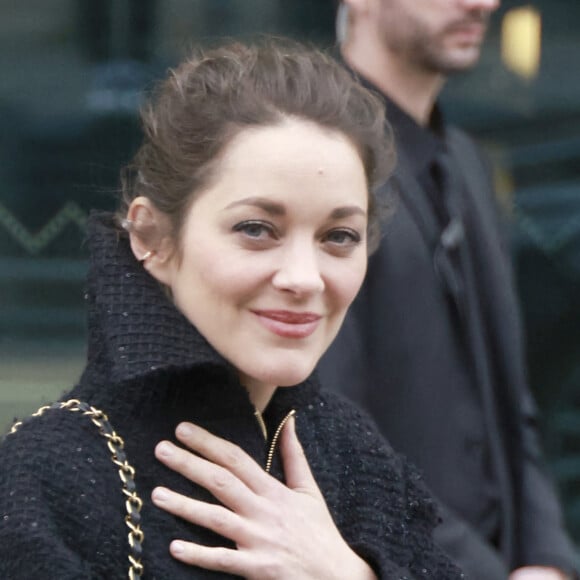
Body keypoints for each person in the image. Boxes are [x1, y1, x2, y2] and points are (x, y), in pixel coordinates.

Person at [0, 39, 464, 579]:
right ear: (151, 236)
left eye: (339, 236)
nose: (303, 278)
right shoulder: (49, 475)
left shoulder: (354, 454)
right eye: (256, 229)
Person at [319, 1, 578, 579]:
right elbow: (331, 427)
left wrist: (547, 559)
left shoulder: (467, 162)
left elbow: (513, 403)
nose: (482, 3)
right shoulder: (314, 159)